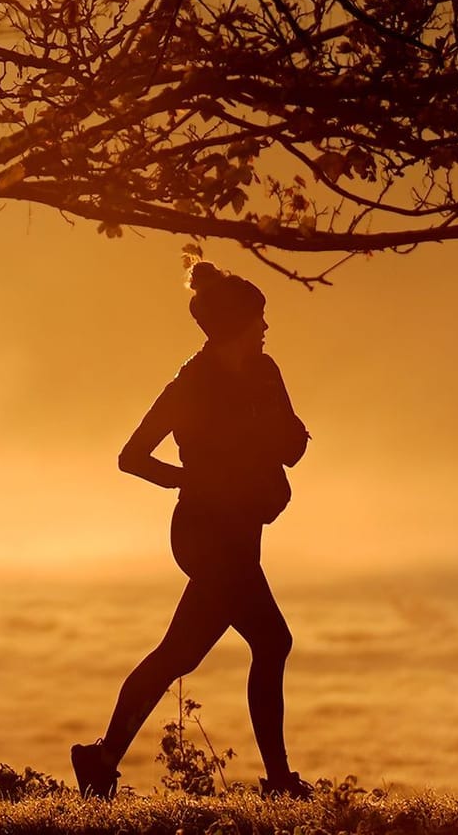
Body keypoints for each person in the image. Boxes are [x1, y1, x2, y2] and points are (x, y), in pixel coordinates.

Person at [71, 261, 313, 801]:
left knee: (179, 654)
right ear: (237, 326)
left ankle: (101, 759)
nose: (267, 330)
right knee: (273, 641)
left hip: (242, 532)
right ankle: (278, 784)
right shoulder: (188, 385)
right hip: (205, 535)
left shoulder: (265, 372)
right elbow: (131, 457)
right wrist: (193, 479)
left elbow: (293, 446)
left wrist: (277, 437)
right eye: (260, 321)